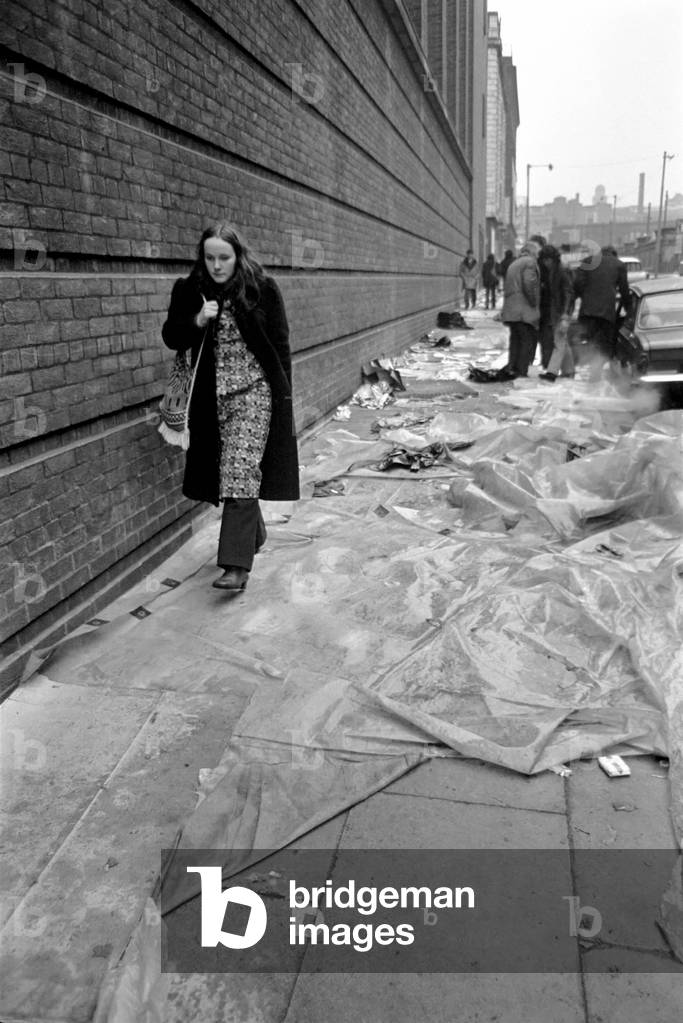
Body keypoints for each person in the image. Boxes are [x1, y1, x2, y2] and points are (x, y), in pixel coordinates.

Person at [162, 222, 299, 591]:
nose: (217, 265)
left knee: (240, 467)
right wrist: (197, 319)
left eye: (224, 257)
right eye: (210, 258)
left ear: (238, 256)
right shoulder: (190, 290)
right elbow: (171, 336)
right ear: (201, 257)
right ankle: (252, 532)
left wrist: (284, 395)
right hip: (211, 399)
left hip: (255, 393)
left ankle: (235, 567)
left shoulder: (262, 289)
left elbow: (280, 345)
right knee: (229, 474)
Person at [571, 244, 631, 376]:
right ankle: (597, 375)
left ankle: (589, 368)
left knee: (588, 342)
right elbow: (624, 291)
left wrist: (584, 298)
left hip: (587, 312)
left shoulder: (587, 261)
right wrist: (629, 310)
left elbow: (577, 285)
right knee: (604, 346)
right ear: (614, 254)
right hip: (606, 314)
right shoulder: (619, 265)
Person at [500, 240, 541, 378]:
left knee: (515, 339)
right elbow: (529, 283)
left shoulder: (514, 263)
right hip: (523, 309)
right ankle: (521, 370)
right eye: (537, 253)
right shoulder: (529, 262)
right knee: (526, 340)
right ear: (532, 252)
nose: (537, 257)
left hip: (512, 309)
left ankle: (513, 366)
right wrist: (534, 301)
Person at [536, 244, 574, 373]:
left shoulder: (562, 272)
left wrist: (565, 313)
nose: (546, 263)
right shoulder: (550, 271)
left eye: (549, 260)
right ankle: (569, 371)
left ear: (554, 259)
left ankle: (552, 372)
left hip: (560, 311)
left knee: (559, 342)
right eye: (544, 260)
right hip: (554, 311)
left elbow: (568, 293)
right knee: (562, 341)